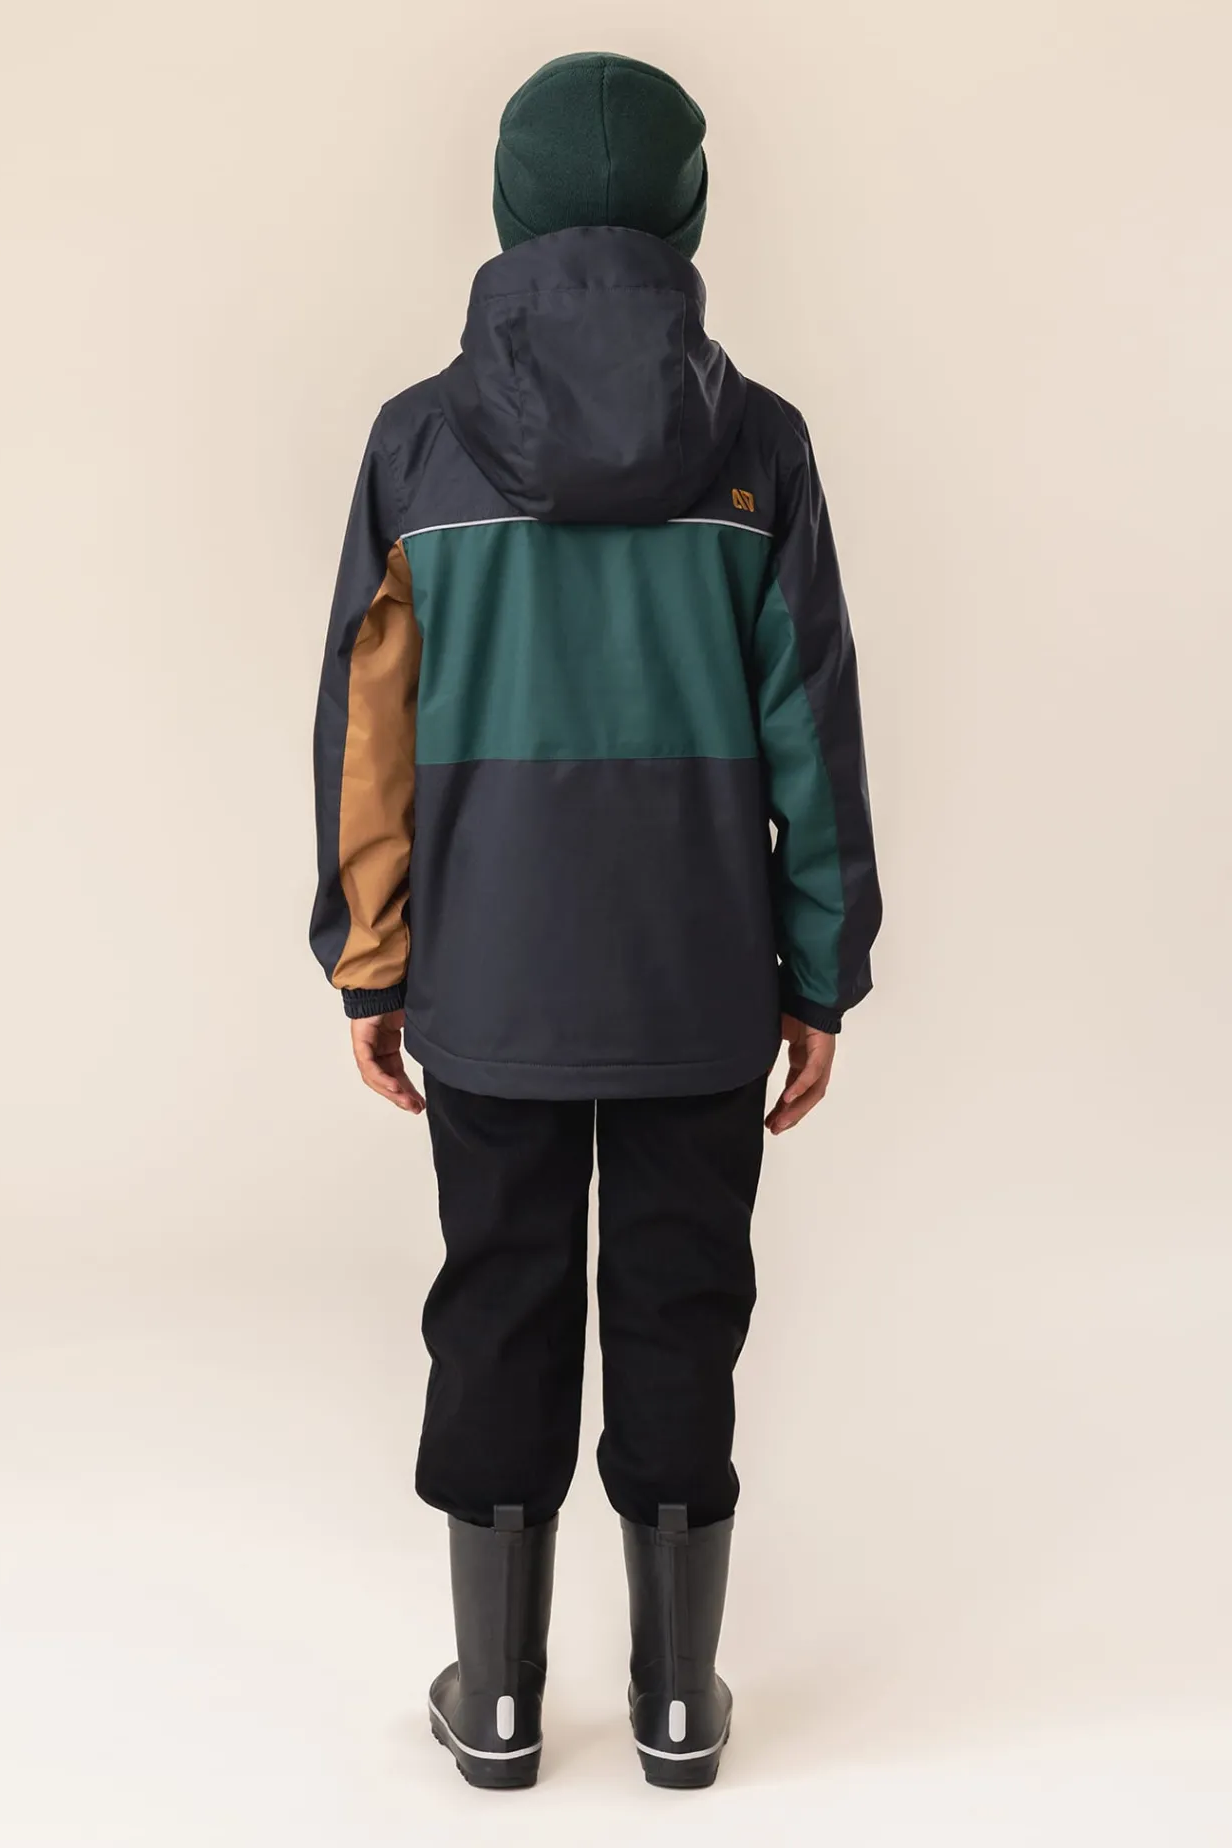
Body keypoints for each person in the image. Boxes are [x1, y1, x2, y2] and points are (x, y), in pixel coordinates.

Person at [309, 50, 880, 1790]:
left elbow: (368, 734)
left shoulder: (419, 443)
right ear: (689, 214)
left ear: (510, 208)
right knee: (681, 1306)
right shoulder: (760, 446)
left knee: (499, 1301)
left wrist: (373, 960)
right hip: (700, 981)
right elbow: (814, 731)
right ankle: (677, 1705)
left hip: (492, 980)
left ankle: (495, 1707)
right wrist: (822, 974)